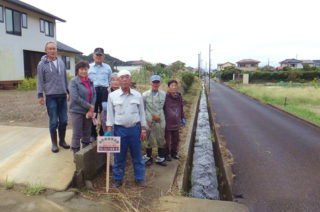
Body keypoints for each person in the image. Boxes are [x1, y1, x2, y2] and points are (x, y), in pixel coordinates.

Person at [105, 70, 147, 188]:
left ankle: (140, 178)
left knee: (137, 155)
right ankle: (118, 179)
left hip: (135, 129)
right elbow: (110, 114)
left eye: (127, 77)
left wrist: (143, 129)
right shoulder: (112, 96)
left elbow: (142, 113)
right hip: (119, 129)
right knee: (119, 156)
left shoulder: (138, 95)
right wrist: (109, 129)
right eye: (122, 77)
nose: (124, 79)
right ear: (118, 80)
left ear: (130, 79)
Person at [37, 41, 70, 153]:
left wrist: (68, 90)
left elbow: (65, 77)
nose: (52, 51)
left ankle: (62, 140)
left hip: (62, 95)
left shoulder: (60, 62)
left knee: (64, 120)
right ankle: (54, 144)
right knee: (53, 122)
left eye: (54, 49)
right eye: (50, 49)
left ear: (56, 50)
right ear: (46, 51)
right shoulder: (42, 64)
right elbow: (40, 80)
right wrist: (40, 94)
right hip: (51, 96)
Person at [69, 61, 96, 157]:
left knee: (87, 131)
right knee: (77, 133)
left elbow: (94, 95)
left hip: (88, 111)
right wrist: (89, 106)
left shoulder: (90, 81)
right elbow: (75, 97)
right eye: (82, 69)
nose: (84, 71)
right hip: (77, 111)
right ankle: (76, 155)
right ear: (77, 70)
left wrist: (91, 108)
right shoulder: (73, 82)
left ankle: (85, 153)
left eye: (85, 69)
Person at [88, 47, 112, 141]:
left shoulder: (107, 67)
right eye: (96, 55)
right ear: (93, 56)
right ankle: (92, 134)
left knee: (104, 113)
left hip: (104, 92)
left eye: (100, 55)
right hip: (92, 91)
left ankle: (103, 132)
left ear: (103, 57)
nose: (98, 56)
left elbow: (111, 80)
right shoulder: (89, 67)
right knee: (92, 112)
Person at [142, 75, 167, 166]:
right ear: (150, 83)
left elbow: (165, 107)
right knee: (149, 139)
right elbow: (143, 109)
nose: (155, 84)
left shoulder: (164, 94)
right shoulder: (145, 95)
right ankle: (148, 157)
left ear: (160, 83)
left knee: (161, 138)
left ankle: (160, 158)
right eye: (154, 82)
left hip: (160, 120)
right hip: (149, 120)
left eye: (157, 82)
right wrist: (146, 119)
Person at [163, 80, 186, 160]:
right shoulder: (165, 96)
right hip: (167, 121)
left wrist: (182, 117)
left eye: (175, 85)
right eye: (172, 85)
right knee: (167, 140)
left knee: (175, 139)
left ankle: (174, 153)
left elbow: (181, 107)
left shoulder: (179, 96)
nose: (174, 87)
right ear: (169, 87)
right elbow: (162, 109)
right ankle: (166, 154)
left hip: (176, 121)